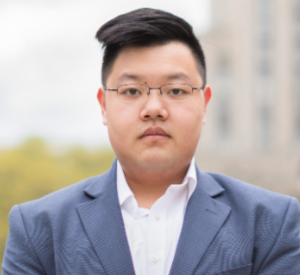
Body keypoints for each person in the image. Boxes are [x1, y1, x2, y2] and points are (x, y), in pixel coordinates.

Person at [2, 8, 300, 275]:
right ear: (104, 105)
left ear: (205, 103)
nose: (154, 108)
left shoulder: (272, 222)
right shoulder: (39, 228)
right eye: (132, 91)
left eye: (176, 90)